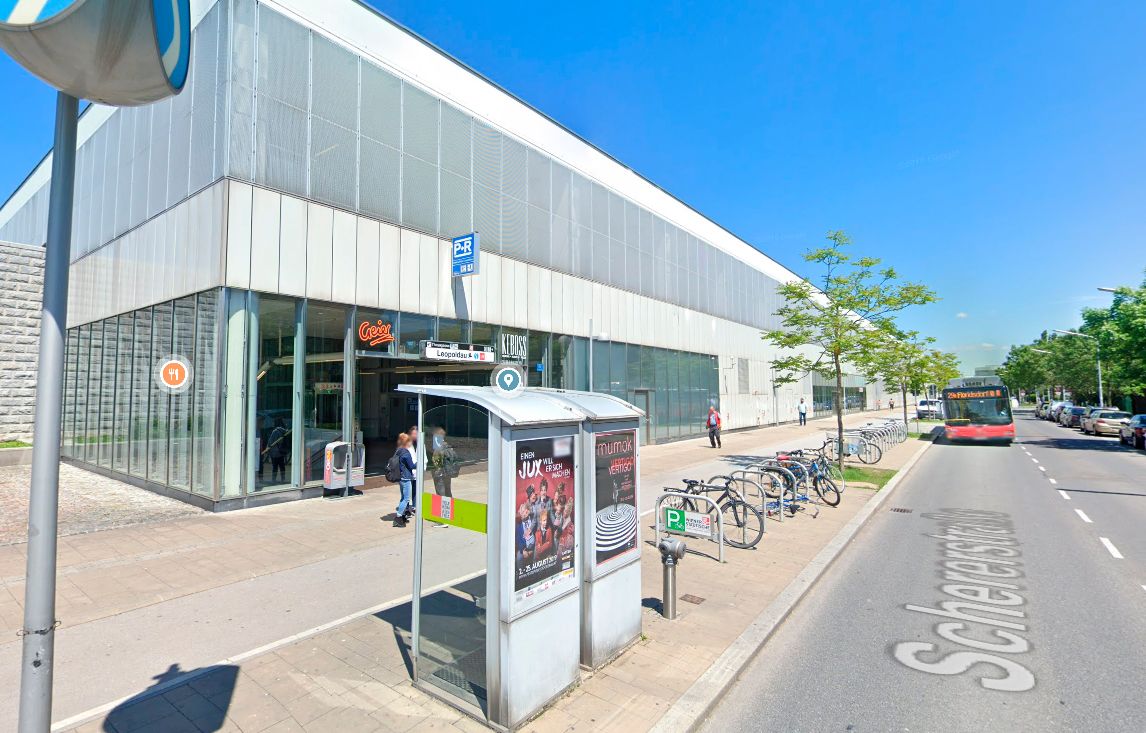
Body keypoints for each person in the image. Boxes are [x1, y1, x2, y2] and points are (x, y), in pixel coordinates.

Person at [393, 433, 416, 527]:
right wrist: (419, 462)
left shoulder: (398, 451)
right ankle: (398, 518)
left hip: (400, 478)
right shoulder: (406, 453)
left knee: (403, 497)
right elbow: (412, 466)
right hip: (406, 478)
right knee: (406, 498)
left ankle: (402, 516)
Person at [429, 426, 458, 498]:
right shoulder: (448, 446)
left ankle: (442, 508)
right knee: (448, 491)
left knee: (440, 493)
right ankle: (450, 507)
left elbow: (435, 463)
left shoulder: (438, 448)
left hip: (439, 475)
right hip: (448, 473)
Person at [268, 418, 290, 483]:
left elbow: (270, 442)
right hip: (281, 452)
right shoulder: (285, 431)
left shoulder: (275, 431)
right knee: (282, 466)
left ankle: (273, 480)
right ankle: (283, 479)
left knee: (275, 467)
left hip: (275, 453)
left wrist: (269, 449)